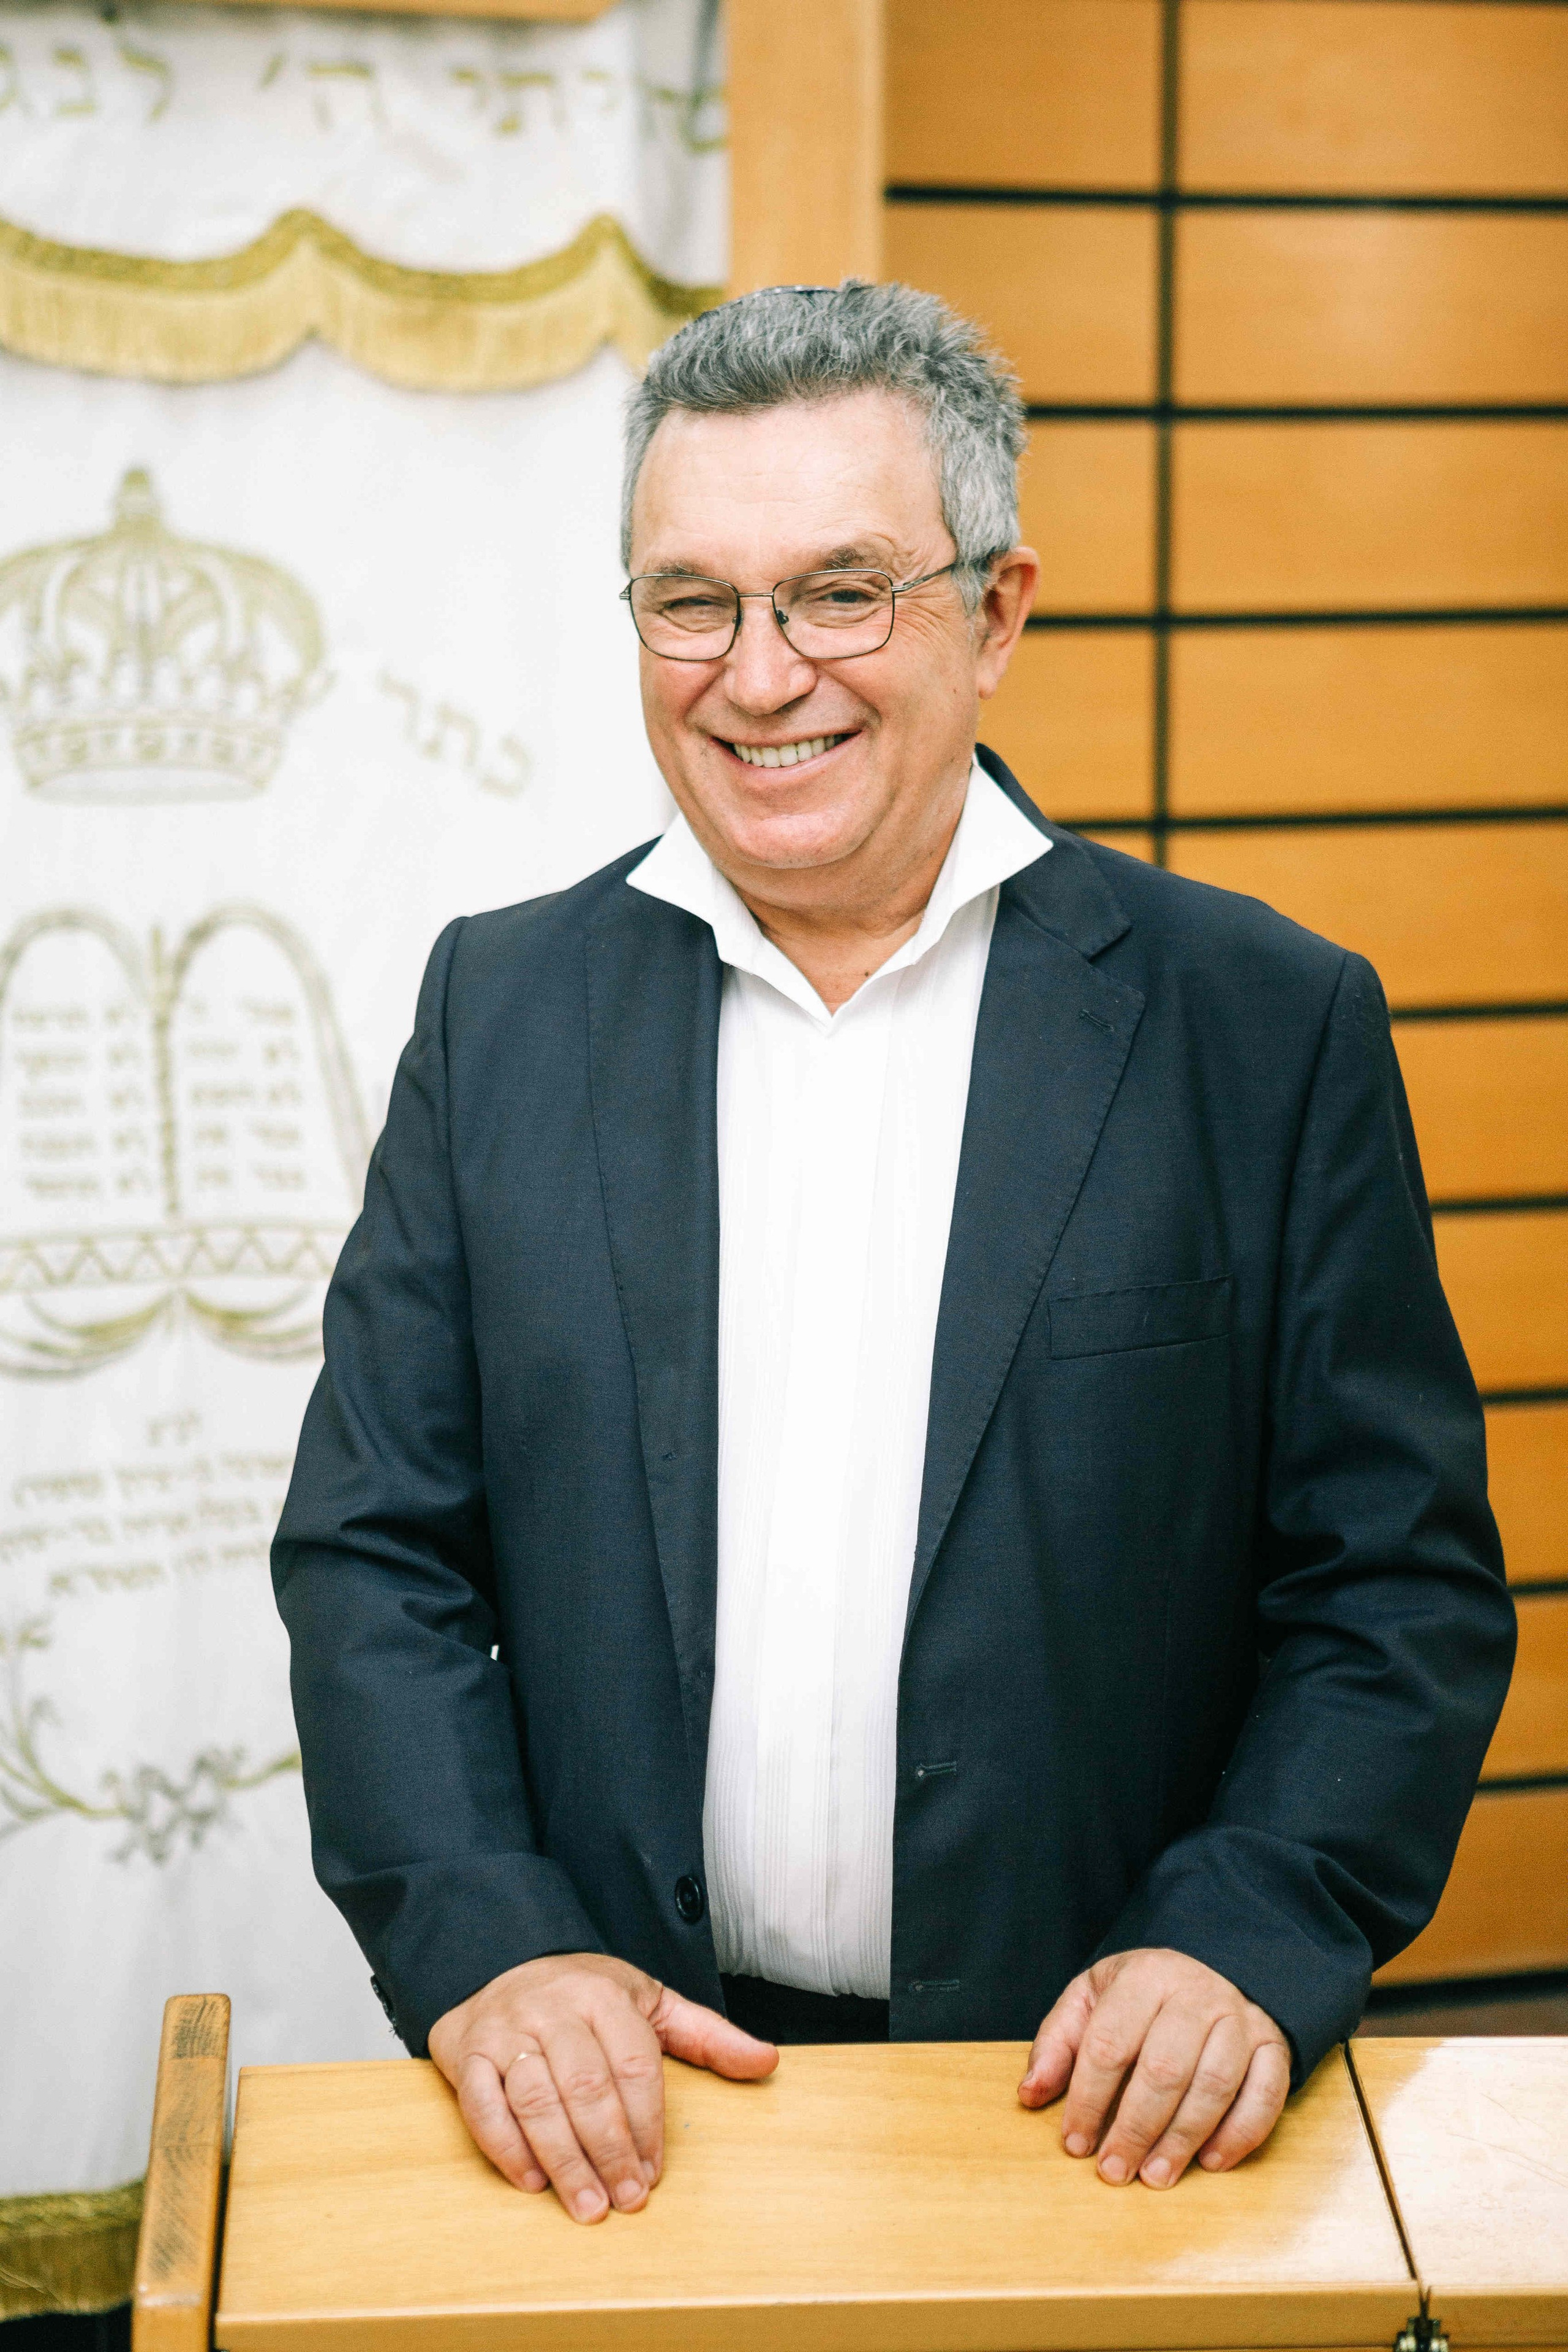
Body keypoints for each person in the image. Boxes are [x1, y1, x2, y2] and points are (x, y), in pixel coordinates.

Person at [273, 282, 1514, 2226]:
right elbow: (378, 1551)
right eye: (693, 601)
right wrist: (489, 1941)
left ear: (999, 610)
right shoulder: (498, 1006)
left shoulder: (1258, 1027)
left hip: (1095, 2115)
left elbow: (1393, 1587)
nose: (760, 676)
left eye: (841, 591)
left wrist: (1249, 1930)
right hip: (631, 2111)